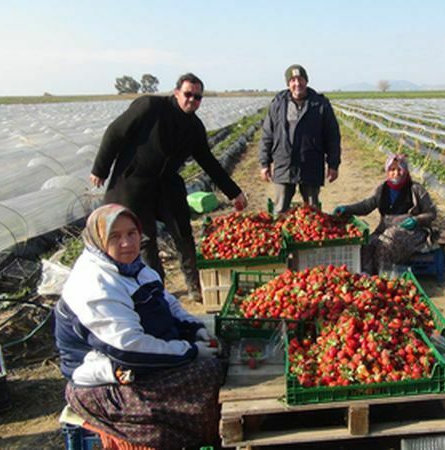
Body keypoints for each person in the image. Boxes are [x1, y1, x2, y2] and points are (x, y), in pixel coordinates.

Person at [54, 204, 222, 448]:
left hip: (138, 363)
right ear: (98, 239)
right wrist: (191, 351)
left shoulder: (133, 267)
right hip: (107, 381)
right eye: (115, 236)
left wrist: (194, 328)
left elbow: (167, 303)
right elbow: (129, 348)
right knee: (209, 376)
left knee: (219, 361)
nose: (127, 243)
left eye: (131, 233)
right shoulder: (94, 283)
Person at [90, 73, 247, 302]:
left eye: (197, 97)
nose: (192, 100)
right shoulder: (150, 107)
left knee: (182, 231)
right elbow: (115, 132)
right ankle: (158, 289)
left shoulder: (194, 127)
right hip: (135, 181)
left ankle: (194, 285)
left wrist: (234, 192)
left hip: (166, 182)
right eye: (188, 94)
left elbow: (209, 161)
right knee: (145, 239)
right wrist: (100, 169)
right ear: (176, 92)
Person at [333, 154, 436, 275]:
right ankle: (366, 274)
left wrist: (417, 220)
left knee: (387, 241)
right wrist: (347, 209)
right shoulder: (382, 189)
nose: (396, 173)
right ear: (387, 171)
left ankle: (382, 275)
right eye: (392, 170)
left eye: (399, 169)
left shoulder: (416, 189)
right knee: (369, 243)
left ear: (406, 171)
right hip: (385, 229)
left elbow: (431, 213)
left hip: (412, 232)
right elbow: (366, 206)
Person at [259, 64, 341, 214]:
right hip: (284, 163)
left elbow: (332, 136)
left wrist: (333, 164)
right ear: (288, 83)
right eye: (293, 80)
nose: (297, 84)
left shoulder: (320, 104)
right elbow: (267, 134)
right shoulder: (278, 104)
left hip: (311, 163)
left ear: (306, 81)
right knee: (280, 209)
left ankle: (311, 237)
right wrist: (265, 163)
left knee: (311, 211)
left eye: (301, 79)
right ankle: (282, 237)